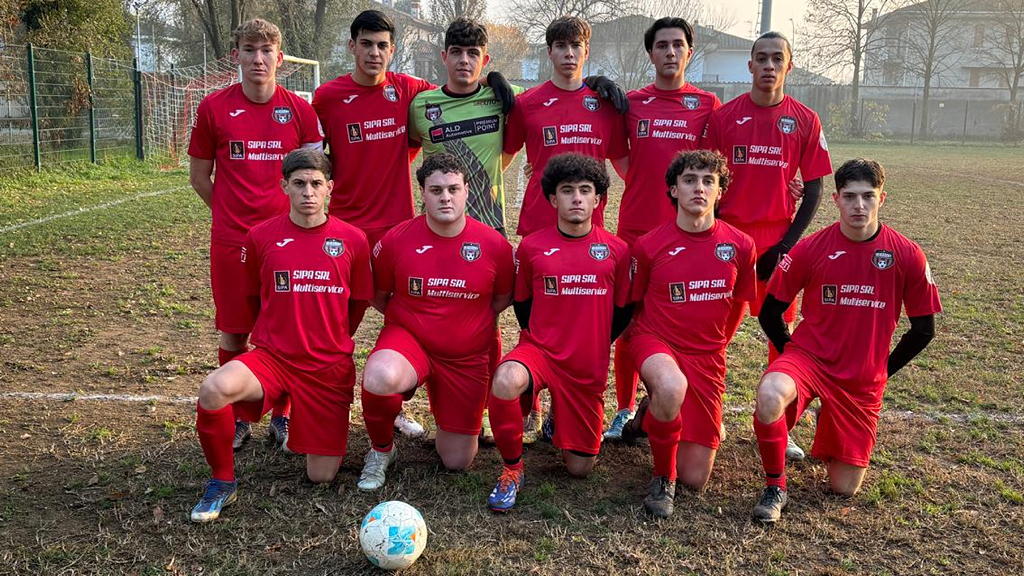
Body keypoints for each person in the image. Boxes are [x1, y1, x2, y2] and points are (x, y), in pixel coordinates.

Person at [750, 158, 941, 523]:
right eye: (850, 197)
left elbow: (923, 330)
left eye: (868, 196)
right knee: (771, 392)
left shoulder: (907, 254)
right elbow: (769, 312)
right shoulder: (811, 248)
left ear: (882, 199)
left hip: (861, 376)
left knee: (844, 488)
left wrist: (881, 370)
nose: (859, 205)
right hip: (810, 360)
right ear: (836, 199)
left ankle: (830, 416)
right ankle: (776, 486)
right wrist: (792, 355)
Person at [190, 149, 373, 522]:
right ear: (284, 186)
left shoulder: (353, 240)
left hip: (327, 367)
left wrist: (330, 338)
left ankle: (301, 419)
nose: (308, 192)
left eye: (316, 183)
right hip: (273, 359)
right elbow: (253, 297)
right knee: (213, 389)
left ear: (330, 188)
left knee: (321, 476)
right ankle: (222, 481)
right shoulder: (260, 237)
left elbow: (357, 304)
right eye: (299, 183)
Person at [188, 18, 323, 451]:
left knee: (284, 330)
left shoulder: (300, 111)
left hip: (288, 245)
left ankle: (283, 414)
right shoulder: (213, 107)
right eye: (249, 50)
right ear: (237, 56)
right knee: (234, 332)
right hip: (232, 243)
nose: (258, 59)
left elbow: (315, 177)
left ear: (280, 58)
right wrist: (230, 217)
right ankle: (240, 416)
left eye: (266, 51)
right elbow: (199, 176)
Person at [701, 31, 833, 459]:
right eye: (761, 58)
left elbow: (814, 189)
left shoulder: (805, 120)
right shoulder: (724, 117)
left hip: (777, 243)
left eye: (778, 58)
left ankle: (782, 426)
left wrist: (786, 246)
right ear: (750, 65)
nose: (769, 66)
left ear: (789, 66)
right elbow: (708, 182)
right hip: (729, 242)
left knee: (781, 339)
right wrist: (717, 237)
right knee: (713, 338)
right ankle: (709, 414)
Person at [355, 153, 514, 490]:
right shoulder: (396, 240)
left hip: (465, 358)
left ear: (467, 191)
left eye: (453, 189)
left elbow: (500, 299)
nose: (446, 197)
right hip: (410, 342)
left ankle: (446, 415)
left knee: (457, 461)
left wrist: (463, 324)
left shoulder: (494, 246)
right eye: (436, 190)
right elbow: (378, 294)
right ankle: (381, 450)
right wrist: (411, 321)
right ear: (423, 193)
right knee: (381, 375)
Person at [485, 154, 631, 513]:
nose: (576, 198)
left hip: (586, 364)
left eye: (585, 190)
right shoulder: (532, 247)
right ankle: (512, 469)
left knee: (579, 469)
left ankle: (558, 417)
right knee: (505, 379)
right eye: (567, 190)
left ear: (598, 199)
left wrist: (594, 342)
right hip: (540, 351)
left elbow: (623, 310)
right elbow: (523, 304)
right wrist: (543, 337)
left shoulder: (617, 251)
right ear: (553, 199)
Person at [604, 17, 723, 441]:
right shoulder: (633, 102)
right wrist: (643, 182)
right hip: (637, 228)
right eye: (662, 45)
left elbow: (717, 169)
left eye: (677, 45)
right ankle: (623, 409)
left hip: (688, 234)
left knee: (689, 314)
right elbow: (620, 157)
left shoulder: (707, 104)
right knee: (630, 316)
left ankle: (685, 400)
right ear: (650, 53)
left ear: (689, 51)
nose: (670, 52)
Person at [625, 150, 755, 517]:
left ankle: (649, 415)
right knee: (670, 386)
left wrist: (719, 344)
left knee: (696, 478)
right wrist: (644, 352)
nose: (699, 188)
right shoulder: (649, 245)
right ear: (673, 190)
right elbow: (633, 307)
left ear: (719, 191)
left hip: (707, 355)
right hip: (656, 341)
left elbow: (739, 304)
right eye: (689, 180)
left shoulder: (741, 245)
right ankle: (662, 479)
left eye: (708, 181)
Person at [503, 16, 630, 239]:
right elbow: (502, 159)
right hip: (539, 223)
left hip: (590, 223)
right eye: (561, 46)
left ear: (586, 51)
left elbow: (626, 168)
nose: (569, 53)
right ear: (549, 52)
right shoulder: (526, 104)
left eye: (576, 45)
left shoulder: (607, 106)